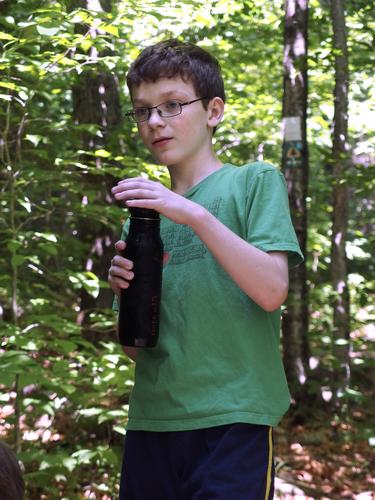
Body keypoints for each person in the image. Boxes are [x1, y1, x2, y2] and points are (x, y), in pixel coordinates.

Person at [108, 38, 303, 500]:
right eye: (143, 111)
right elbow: (140, 351)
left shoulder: (253, 181)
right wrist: (126, 298)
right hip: (152, 420)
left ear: (213, 111)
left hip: (233, 421)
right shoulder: (143, 216)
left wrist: (193, 213)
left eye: (172, 105)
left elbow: (272, 289)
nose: (155, 121)